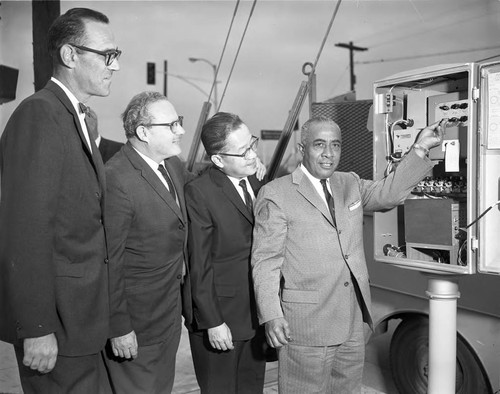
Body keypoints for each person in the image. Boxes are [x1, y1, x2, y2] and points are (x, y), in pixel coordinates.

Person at [251, 115, 445, 393]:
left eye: (336, 145)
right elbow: (265, 262)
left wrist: (421, 148)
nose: (329, 154)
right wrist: (271, 314)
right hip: (307, 325)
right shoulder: (277, 194)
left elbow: (389, 193)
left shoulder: (349, 183)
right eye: (319, 145)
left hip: (352, 322)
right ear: (302, 148)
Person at [0, 8, 120, 394]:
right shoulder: (40, 115)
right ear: (70, 56)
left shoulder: (75, 117)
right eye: (106, 55)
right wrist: (37, 328)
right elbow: (25, 230)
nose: (113, 66)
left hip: (82, 325)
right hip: (56, 329)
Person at [103, 91, 194, 394]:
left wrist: (246, 167)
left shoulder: (172, 165)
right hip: (136, 326)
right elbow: (109, 261)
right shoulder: (116, 179)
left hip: (167, 318)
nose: (180, 131)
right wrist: (119, 327)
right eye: (172, 125)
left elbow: (199, 183)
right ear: (143, 132)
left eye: (178, 123)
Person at [185, 112, 267, 393]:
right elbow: (200, 264)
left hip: (255, 316)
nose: (252, 155)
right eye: (243, 151)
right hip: (221, 321)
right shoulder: (200, 193)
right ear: (218, 160)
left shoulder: (255, 181)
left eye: (252, 144)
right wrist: (213, 322)